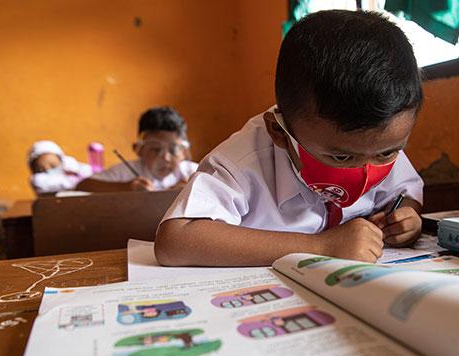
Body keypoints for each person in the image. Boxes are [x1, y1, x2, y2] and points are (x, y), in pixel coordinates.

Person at [155, 10, 424, 266]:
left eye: (386, 154)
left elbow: (405, 194)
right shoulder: (243, 160)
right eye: (341, 157)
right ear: (279, 132)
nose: (365, 171)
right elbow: (175, 239)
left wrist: (405, 221)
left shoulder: (377, 144)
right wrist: (320, 247)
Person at [76, 106, 198, 192]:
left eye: (173, 149)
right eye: (155, 149)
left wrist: (192, 189)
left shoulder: (191, 171)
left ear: (184, 152)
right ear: (139, 149)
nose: (166, 158)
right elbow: (83, 186)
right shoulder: (127, 171)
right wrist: (127, 188)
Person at [28, 140, 93, 195]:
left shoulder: (72, 168)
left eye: (53, 165)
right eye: (41, 169)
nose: (48, 169)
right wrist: (76, 180)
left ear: (61, 161)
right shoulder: (37, 181)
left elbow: (92, 173)